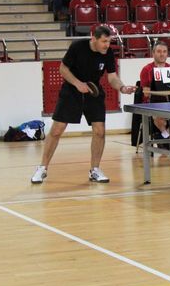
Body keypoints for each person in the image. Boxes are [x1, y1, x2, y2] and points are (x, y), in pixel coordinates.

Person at [31, 25, 137, 184]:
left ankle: (95, 170)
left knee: (99, 131)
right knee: (57, 129)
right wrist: (77, 83)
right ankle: (42, 168)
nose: (107, 45)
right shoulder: (77, 47)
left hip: (93, 91)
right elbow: (63, 69)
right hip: (71, 90)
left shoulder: (108, 53)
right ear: (94, 38)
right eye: (104, 41)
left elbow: (112, 77)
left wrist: (122, 88)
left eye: (109, 41)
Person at [139, 41, 170, 139]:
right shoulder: (146, 69)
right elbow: (146, 93)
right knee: (160, 120)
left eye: (164, 51)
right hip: (154, 103)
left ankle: (164, 136)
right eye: (159, 51)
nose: (162, 54)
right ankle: (166, 139)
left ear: (167, 54)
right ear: (153, 53)